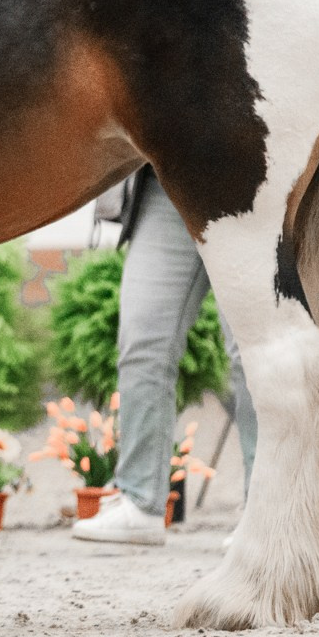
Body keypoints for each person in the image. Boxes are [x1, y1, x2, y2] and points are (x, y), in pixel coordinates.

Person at [72, 170, 258, 545]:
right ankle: (140, 502)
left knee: (252, 353)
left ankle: (266, 511)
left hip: (246, 175)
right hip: (165, 178)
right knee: (142, 341)